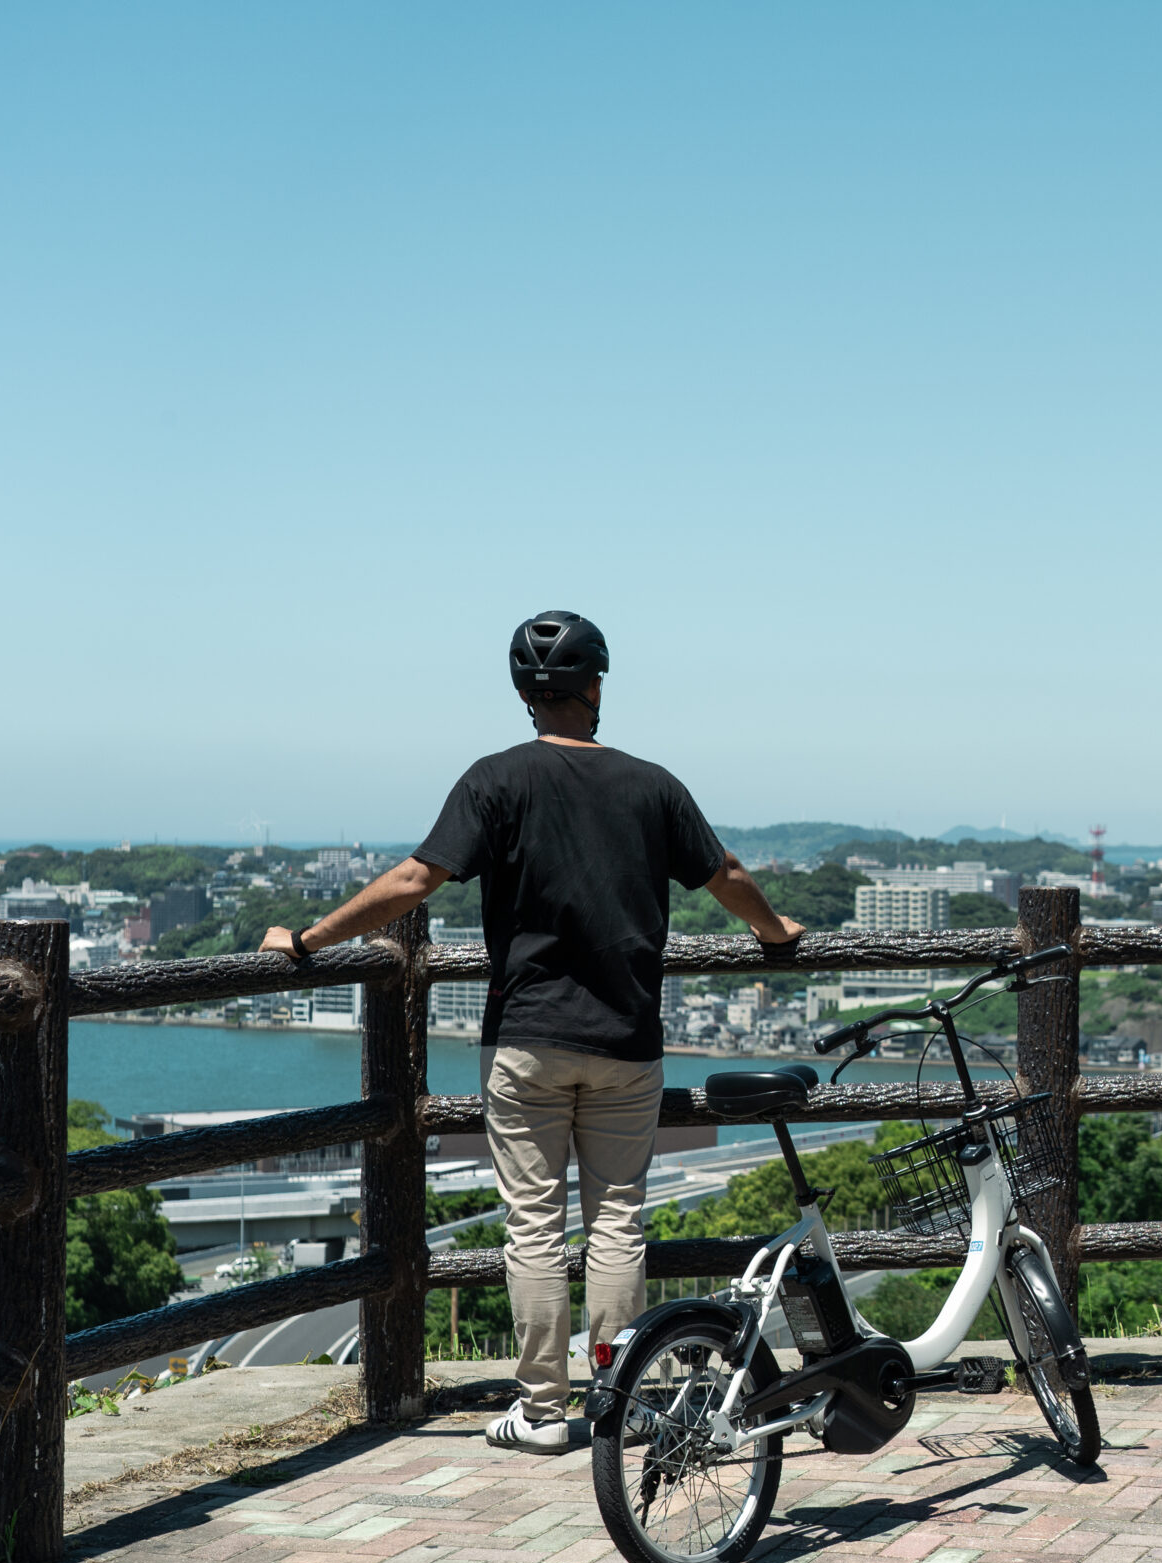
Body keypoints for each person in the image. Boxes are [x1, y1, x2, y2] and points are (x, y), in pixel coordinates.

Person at [262, 611, 803, 1453]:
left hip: (526, 1038)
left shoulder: (495, 780)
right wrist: (774, 932)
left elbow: (413, 879)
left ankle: (544, 1412)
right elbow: (724, 875)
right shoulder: (652, 784)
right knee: (619, 1220)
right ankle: (620, 1402)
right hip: (627, 1039)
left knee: (534, 1227)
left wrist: (305, 940)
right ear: (594, 687)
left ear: (524, 694)